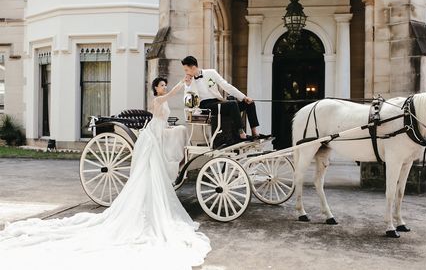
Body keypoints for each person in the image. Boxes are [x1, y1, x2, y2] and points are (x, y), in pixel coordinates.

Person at [0, 77, 211, 270]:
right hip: (153, 137)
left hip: (158, 133)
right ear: (156, 88)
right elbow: (170, 96)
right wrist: (182, 83)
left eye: (165, 84)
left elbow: (168, 108)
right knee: (152, 169)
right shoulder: (158, 99)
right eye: (161, 84)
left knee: (179, 134)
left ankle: (178, 165)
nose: (164, 87)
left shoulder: (162, 100)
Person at [181, 55, 268, 140]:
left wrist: (244, 97)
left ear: (193, 67)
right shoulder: (189, 82)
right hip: (205, 106)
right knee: (232, 104)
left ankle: (255, 132)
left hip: (218, 102)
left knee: (249, 103)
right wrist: (188, 85)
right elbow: (188, 102)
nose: (185, 72)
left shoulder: (211, 73)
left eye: (186, 70)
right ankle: (241, 133)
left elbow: (226, 86)